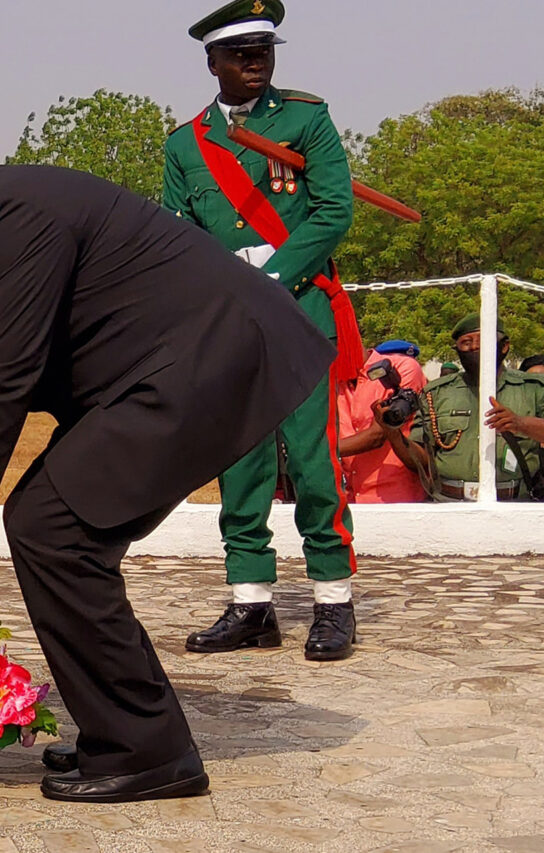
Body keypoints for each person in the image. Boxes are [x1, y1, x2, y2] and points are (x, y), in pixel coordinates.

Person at [0, 159, 335, 802]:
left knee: (52, 524)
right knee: (47, 519)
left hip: (207, 354)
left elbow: (4, 388)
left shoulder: (3, 219)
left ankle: (146, 749)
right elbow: (13, 378)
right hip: (164, 367)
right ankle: (121, 735)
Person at [163, 0, 361, 662]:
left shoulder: (307, 118)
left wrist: (272, 278)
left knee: (311, 457)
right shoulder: (185, 144)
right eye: (241, 54)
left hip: (296, 301)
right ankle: (252, 602)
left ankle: (334, 600)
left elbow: (333, 208)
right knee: (241, 458)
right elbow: (177, 231)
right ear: (211, 61)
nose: (256, 63)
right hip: (230, 313)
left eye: (264, 51)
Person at [379, 314, 544, 501]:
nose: (474, 347)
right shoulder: (436, 393)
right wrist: (391, 431)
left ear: (504, 346)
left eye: (482, 340)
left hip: (514, 504)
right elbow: (421, 460)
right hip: (450, 505)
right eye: (466, 342)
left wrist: (520, 423)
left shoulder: (533, 389)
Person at [337, 340, 427, 503]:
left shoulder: (402, 368)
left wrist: (316, 451)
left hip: (397, 499)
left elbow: (377, 435)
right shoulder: (335, 383)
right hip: (352, 499)